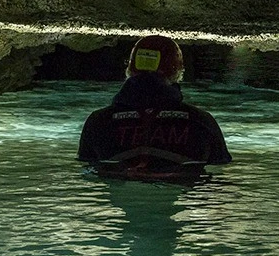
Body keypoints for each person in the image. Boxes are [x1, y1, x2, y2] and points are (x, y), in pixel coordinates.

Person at [78, 35, 231, 178]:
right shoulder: (201, 121)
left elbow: (88, 167)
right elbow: (219, 166)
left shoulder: (98, 121)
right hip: (179, 188)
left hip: (120, 190)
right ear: (177, 71)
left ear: (130, 69)